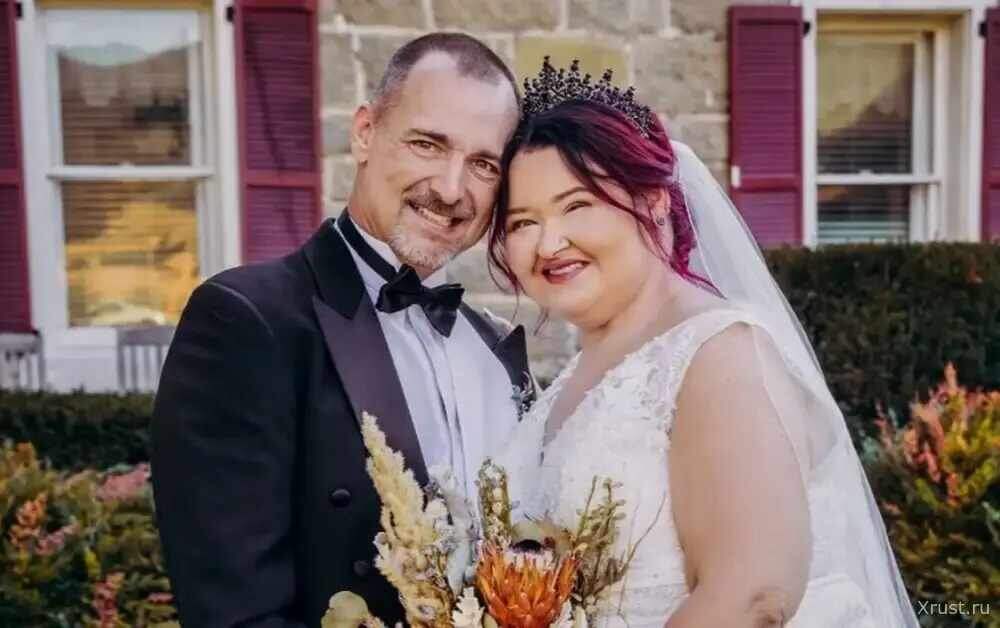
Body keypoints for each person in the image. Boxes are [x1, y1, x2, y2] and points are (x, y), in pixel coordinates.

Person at [491, 59, 919, 627]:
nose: (548, 244)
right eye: (522, 223)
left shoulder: (719, 353)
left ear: (653, 201)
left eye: (576, 205)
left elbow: (753, 594)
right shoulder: (571, 379)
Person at [151, 33, 529, 628]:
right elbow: (235, 613)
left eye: (483, 164)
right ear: (364, 133)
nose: (452, 189)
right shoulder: (246, 320)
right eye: (428, 144)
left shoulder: (495, 348)